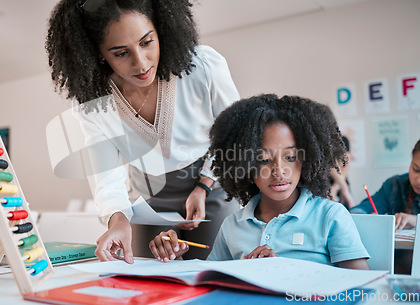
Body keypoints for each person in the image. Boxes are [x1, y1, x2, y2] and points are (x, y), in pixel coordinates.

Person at [46, 0, 240, 263]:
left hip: (211, 187)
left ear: (161, 31)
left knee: (212, 271)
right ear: (99, 54)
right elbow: (107, 174)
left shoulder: (203, 67)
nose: (141, 63)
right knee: (146, 274)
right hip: (147, 201)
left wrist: (204, 186)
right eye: (120, 53)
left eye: (147, 42)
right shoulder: (93, 105)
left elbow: (233, 135)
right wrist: (118, 219)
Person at [149, 94, 370, 270]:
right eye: (264, 160)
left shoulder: (330, 216)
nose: (279, 170)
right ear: (245, 164)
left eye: (290, 157)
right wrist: (175, 259)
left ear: (306, 159)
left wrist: (280, 270)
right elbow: (213, 286)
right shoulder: (232, 225)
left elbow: (361, 287)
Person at [350, 139, 420, 232]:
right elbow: (356, 212)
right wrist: (364, 218)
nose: (418, 181)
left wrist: (416, 221)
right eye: (415, 169)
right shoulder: (395, 185)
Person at [329, 136, 356, 208]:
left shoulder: (343, 139)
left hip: (341, 182)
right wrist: (343, 186)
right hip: (329, 184)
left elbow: (347, 159)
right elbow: (330, 163)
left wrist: (338, 186)